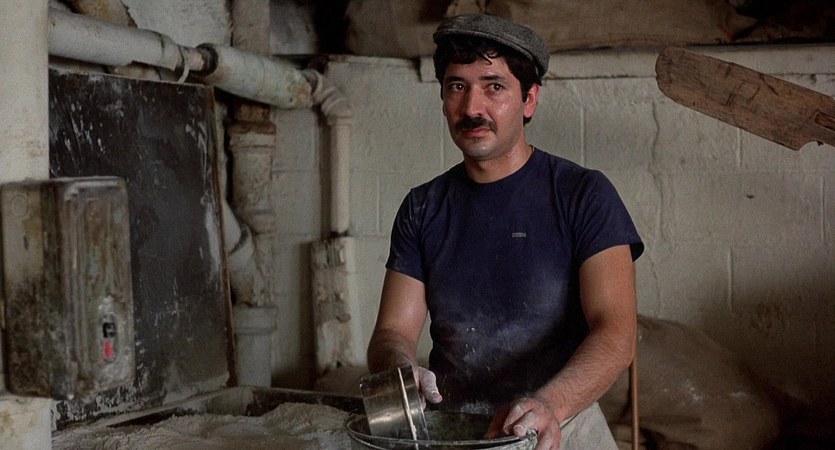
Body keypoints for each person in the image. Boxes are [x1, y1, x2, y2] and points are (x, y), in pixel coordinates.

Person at [366, 13, 644, 450]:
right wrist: (401, 369)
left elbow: (616, 333)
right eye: (457, 86)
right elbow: (392, 333)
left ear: (529, 100)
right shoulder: (422, 208)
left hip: (561, 426)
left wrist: (550, 404)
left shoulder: (584, 195)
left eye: (494, 86)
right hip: (458, 431)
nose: (472, 108)